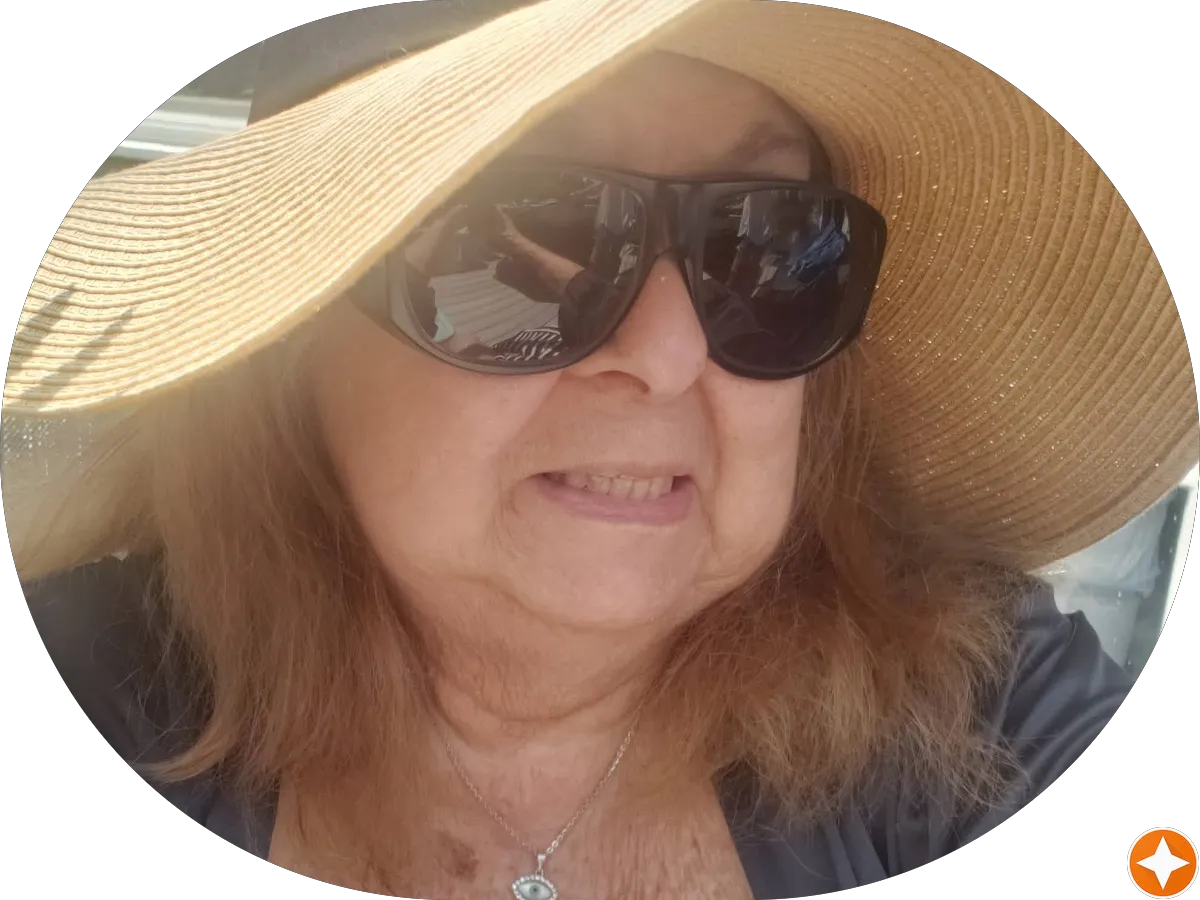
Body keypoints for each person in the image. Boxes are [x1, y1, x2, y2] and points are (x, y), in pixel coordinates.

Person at [5, 3, 1195, 899]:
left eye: (765, 242)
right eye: (526, 233)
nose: (670, 355)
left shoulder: (973, 708)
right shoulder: (100, 679)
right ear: (291, 336)